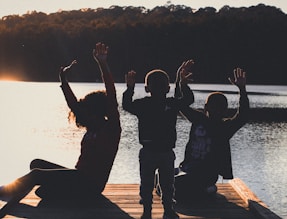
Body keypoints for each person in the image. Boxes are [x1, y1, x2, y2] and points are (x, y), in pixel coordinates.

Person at [0, 43, 121, 205]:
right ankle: (49, 192)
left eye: (86, 110)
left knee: (37, 175)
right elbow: (74, 105)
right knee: (36, 164)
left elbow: (111, 97)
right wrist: (63, 80)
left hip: (91, 185)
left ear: (97, 111)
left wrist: (102, 64)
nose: (82, 113)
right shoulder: (92, 125)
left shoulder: (111, 129)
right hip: (78, 177)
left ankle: (5, 192)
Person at [122, 60, 194, 219]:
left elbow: (126, 104)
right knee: (159, 183)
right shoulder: (163, 104)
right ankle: (157, 209)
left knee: (159, 183)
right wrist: (183, 84)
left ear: (147, 88)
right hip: (156, 152)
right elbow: (188, 100)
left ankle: (157, 210)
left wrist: (130, 87)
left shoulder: (160, 104)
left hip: (159, 152)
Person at [174, 67, 249, 200]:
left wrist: (242, 90)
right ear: (206, 108)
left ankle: (206, 189)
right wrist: (182, 84)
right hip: (188, 169)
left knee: (174, 188)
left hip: (207, 174)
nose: (217, 110)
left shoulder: (225, 127)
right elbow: (181, 105)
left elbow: (243, 116)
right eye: (213, 106)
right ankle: (203, 190)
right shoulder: (198, 119)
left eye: (220, 107)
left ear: (225, 110)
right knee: (163, 179)